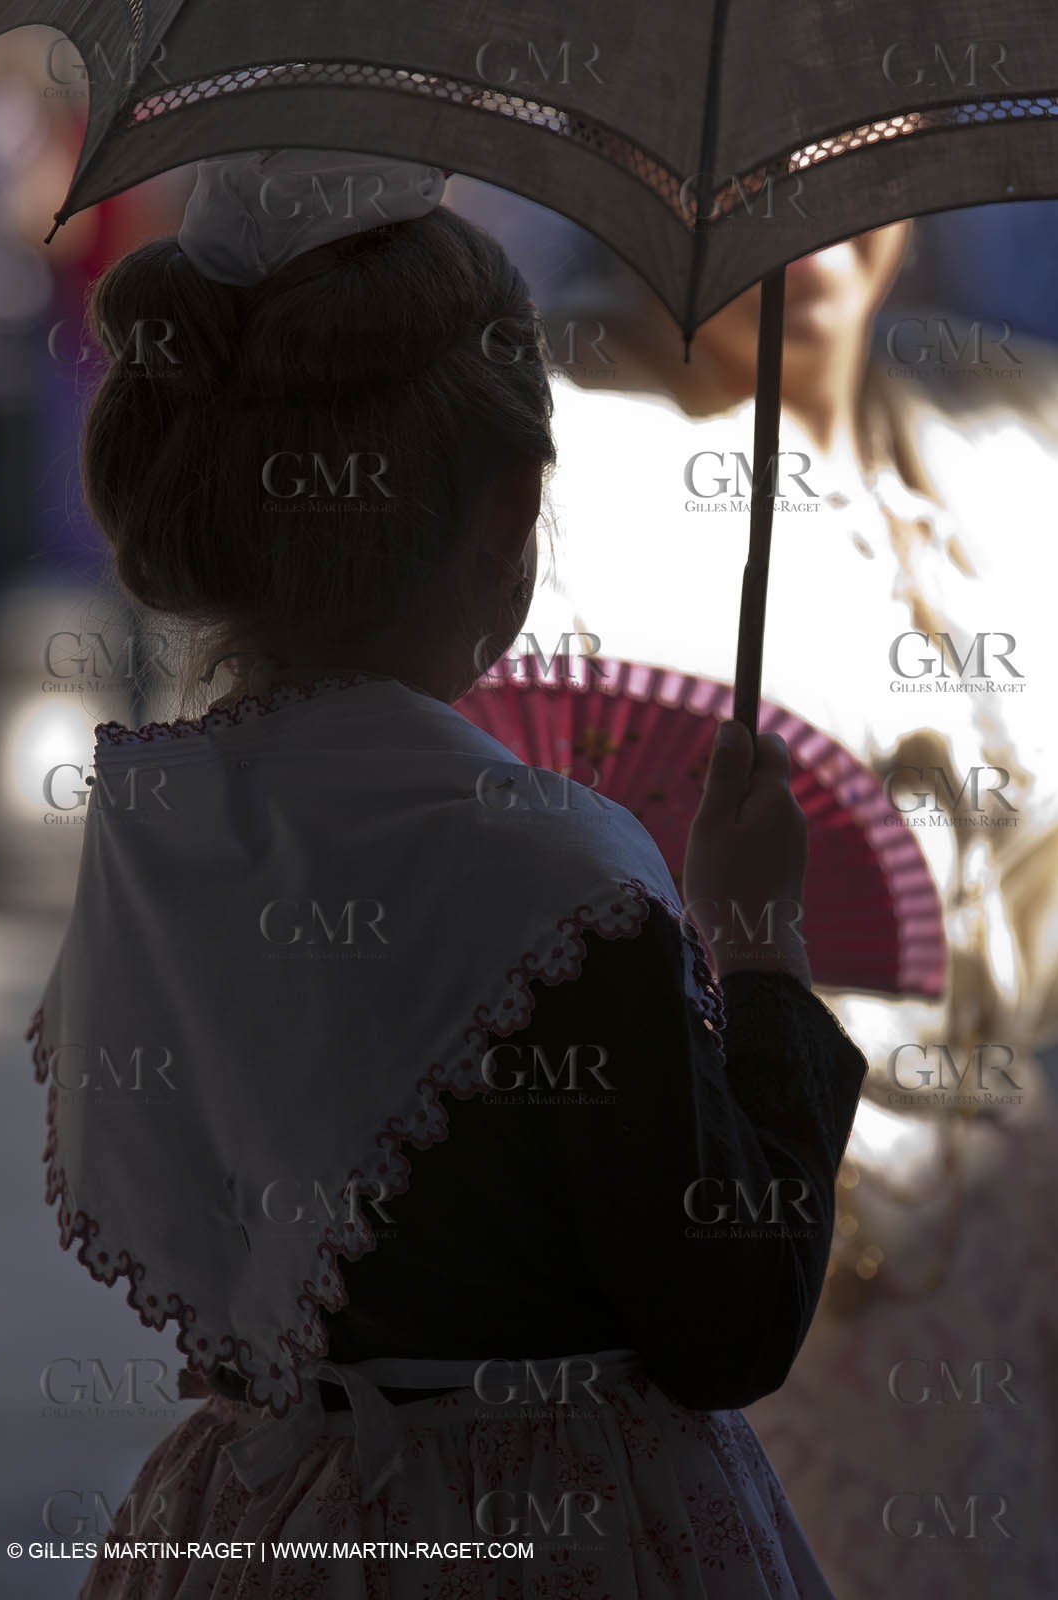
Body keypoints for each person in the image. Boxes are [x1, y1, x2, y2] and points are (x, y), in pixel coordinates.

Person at [27, 148, 867, 1600]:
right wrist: (761, 945)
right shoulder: (558, 872)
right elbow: (731, 1317)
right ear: (507, 513)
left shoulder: (153, 818)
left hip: (257, 1526)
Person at [522, 222, 1058, 1599]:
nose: (807, 215)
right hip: (729, 1215)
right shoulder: (546, 463)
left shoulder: (1011, 458)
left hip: (993, 1234)